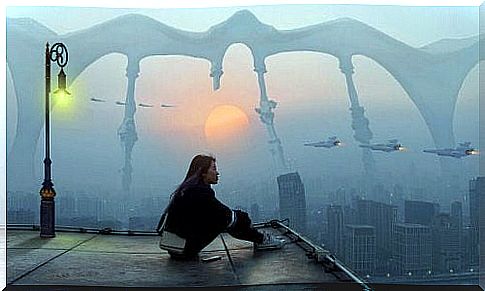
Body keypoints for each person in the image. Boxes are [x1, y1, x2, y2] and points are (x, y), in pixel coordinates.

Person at [157, 154, 282, 259]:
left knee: (227, 218)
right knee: (225, 220)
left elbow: (220, 211)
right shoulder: (199, 192)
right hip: (186, 249)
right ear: (203, 172)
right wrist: (243, 217)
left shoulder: (187, 190)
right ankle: (262, 240)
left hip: (176, 248)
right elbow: (224, 214)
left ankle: (260, 239)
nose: (217, 173)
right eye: (214, 168)